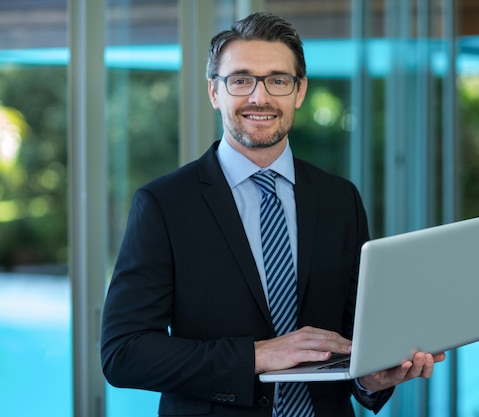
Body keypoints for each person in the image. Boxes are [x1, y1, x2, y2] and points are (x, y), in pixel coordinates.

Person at [100, 11, 446, 417]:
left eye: (277, 80)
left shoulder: (340, 199)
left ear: (299, 92)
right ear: (215, 92)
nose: (259, 97)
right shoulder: (163, 204)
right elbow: (124, 353)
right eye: (241, 80)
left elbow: (355, 339)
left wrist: (371, 379)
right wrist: (256, 356)